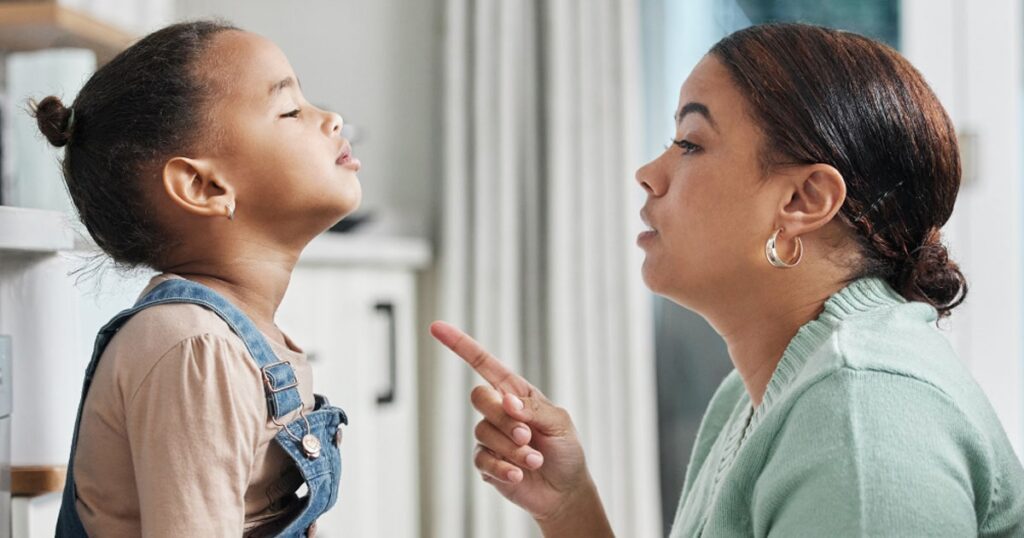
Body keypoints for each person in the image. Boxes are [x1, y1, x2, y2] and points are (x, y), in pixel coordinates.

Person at [431, 23, 1024, 537]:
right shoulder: (751, 396)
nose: (648, 173)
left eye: (690, 144)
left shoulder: (864, 416)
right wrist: (569, 507)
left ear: (803, 199)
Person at [32, 20, 361, 536]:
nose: (332, 118)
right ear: (203, 186)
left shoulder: (235, 340)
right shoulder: (194, 349)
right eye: (290, 110)